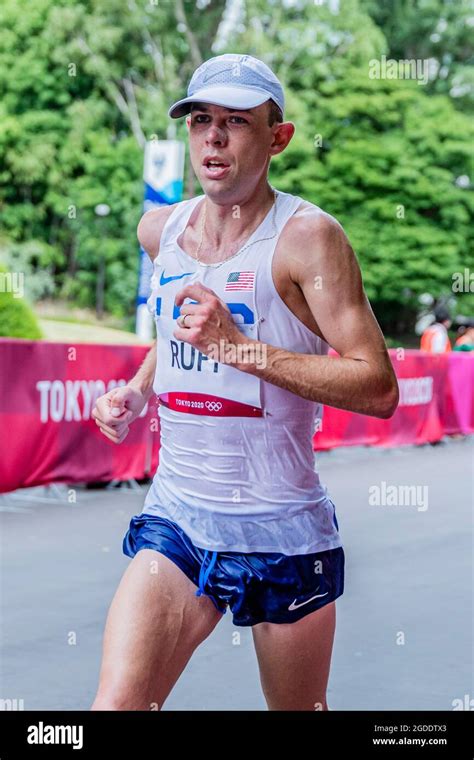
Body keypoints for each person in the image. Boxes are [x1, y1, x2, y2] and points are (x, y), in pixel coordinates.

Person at [90, 53, 399, 711]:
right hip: (177, 516)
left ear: (277, 137)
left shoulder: (308, 239)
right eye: (201, 120)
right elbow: (176, 336)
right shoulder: (161, 230)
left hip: (282, 528)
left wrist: (241, 349)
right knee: (115, 707)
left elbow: (377, 387)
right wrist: (139, 391)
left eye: (236, 121)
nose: (214, 138)